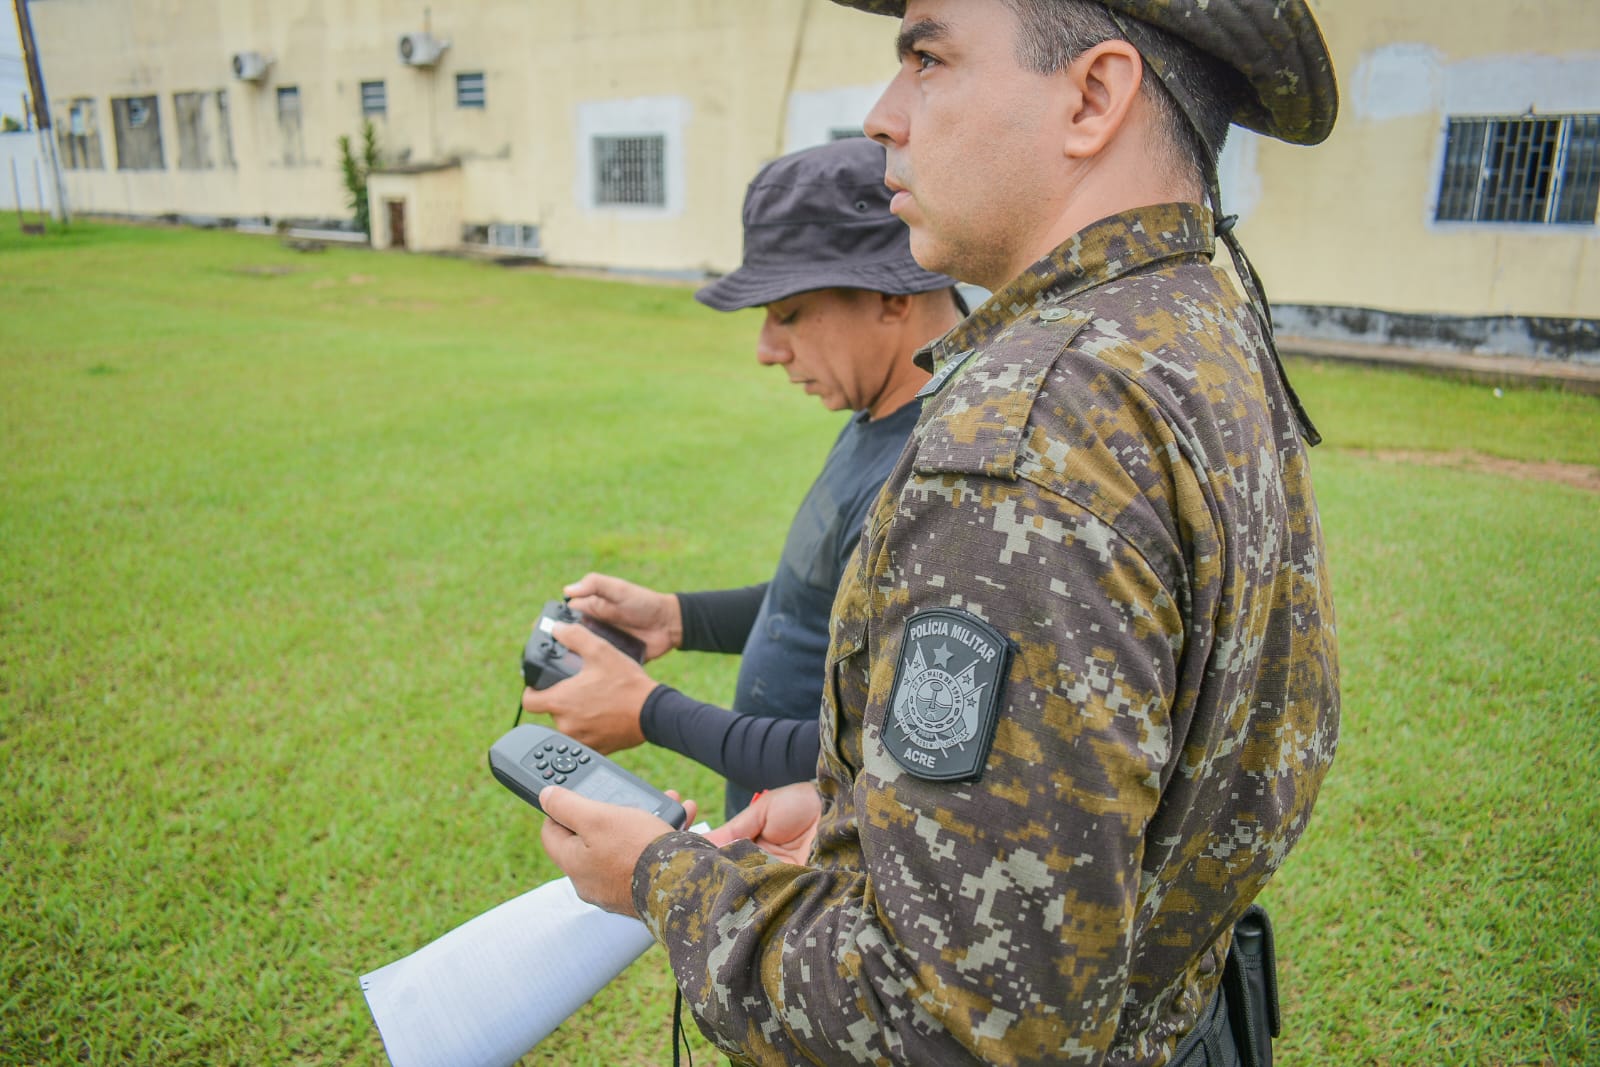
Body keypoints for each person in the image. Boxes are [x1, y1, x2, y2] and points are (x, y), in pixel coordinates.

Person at [539, 1, 1342, 1064]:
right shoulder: (1192, 324)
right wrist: (857, 814)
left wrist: (660, 874)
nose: (882, 114)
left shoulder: (1029, 434)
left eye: (928, 56)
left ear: (1093, 96)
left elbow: (954, 1021)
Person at [523, 136, 965, 816]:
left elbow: (875, 749)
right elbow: (827, 603)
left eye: (787, 313)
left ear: (889, 294)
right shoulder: (887, 411)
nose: (766, 349)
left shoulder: (938, 475)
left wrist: (649, 712)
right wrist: (678, 617)